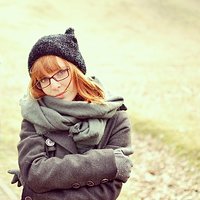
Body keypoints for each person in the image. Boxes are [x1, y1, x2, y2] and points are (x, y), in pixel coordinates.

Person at [8, 27, 133, 200]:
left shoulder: (116, 117)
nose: (54, 85)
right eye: (44, 79)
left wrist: (48, 181)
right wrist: (106, 162)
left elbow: (108, 190)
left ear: (76, 70)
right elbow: (34, 174)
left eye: (60, 73)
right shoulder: (35, 115)